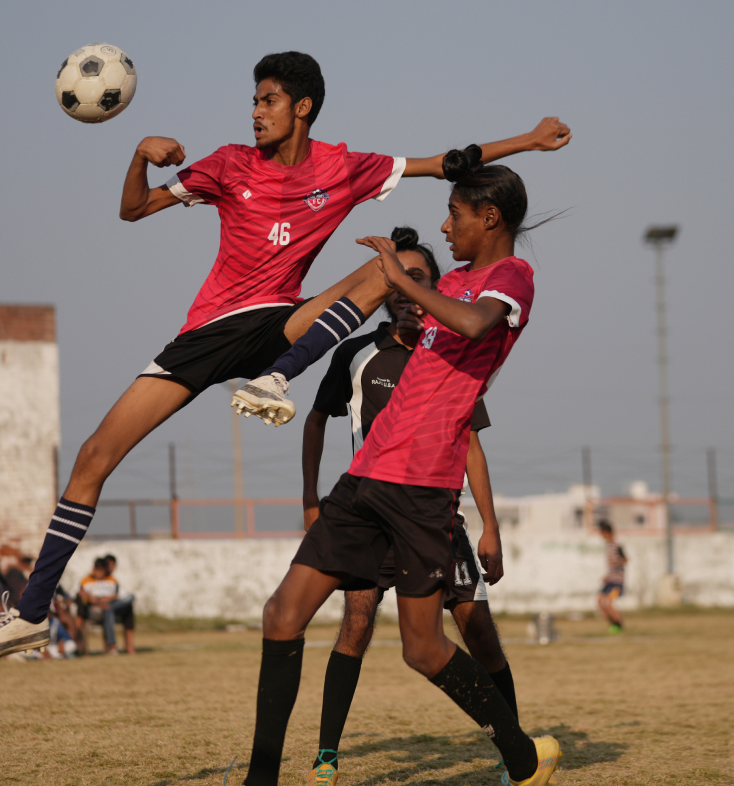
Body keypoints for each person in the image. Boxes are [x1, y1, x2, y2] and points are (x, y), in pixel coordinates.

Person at [0, 51, 570, 662]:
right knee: (94, 456)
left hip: (282, 324)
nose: (255, 112)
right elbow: (134, 208)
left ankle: (279, 377)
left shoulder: (345, 166)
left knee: (400, 267)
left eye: (267, 100)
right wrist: (139, 154)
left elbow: (448, 164)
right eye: (253, 101)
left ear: (302, 107)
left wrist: (530, 141)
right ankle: (31, 615)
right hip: (211, 333)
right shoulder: (227, 164)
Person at [239, 149, 561, 786]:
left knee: (424, 649)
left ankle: (524, 758)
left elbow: (472, 325)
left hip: (422, 488)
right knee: (282, 615)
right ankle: (261, 778)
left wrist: (404, 277)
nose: (446, 228)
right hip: (365, 477)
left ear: (489, 217)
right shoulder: (443, 287)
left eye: (454, 214)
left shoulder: (513, 275)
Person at [300, 228, 518, 785]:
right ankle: (327, 757)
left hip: (434, 515)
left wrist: (490, 525)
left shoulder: (453, 345)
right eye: (397, 280)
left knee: (478, 629)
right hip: (370, 514)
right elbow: (318, 420)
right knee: (355, 624)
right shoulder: (355, 353)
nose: (404, 291)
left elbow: (469, 440)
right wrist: (311, 501)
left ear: (434, 287)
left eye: (418, 279)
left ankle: (513, 749)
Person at [77, 557, 136, 655]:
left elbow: (118, 595)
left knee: (129, 599)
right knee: (107, 609)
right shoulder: (86, 580)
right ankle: (112, 645)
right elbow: (80, 594)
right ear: (94, 569)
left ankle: (115, 646)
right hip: (94, 610)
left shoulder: (112, 580)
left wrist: (107, 600)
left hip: (109, 606)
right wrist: (97, 601)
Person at [597, 521, 627, 634]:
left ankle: (619, 624)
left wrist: (617, 562)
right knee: (599, 600)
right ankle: (612, 623)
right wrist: (606, 576)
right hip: (609, 580)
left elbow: (625, 560)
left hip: (617, 582)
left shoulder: (617, 545)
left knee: (608, 602)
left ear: (607, 532)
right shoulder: (608, 546)